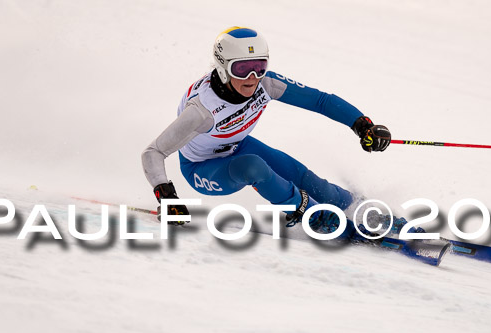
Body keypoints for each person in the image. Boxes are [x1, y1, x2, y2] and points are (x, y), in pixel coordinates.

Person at [141, 26, 393, 237]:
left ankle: (367, 211)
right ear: (222, 67)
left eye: (259, 66)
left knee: (314, 185)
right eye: (242, 69)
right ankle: (319, 218)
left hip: (238, 146)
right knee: (253, 167)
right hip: (203, 168)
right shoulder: (201, 111)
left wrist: (362, 124)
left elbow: (320, 101)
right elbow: (153, 152)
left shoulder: (267, 84)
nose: (252, 77)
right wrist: (167, 197)